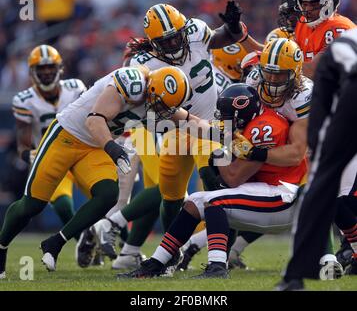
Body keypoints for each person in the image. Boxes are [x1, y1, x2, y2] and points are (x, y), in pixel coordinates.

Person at [0, 65, 194, 277]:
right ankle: (1, 247)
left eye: (168, 108)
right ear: (151, 91)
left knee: (108, 194)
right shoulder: (131, 83)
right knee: (32, 205)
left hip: (94, 147)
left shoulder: (161, 100)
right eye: (161, 106)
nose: (163, 112)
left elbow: (190, 121)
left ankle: (55, 242)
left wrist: (221, 131)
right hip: (67, 136)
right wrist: (113, 149)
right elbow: (94, 120)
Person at [117, 83, 307, 279]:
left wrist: (218, 155)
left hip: (282, 197)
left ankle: (217, 267)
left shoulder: (263, 128)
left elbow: (233, 178)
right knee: (194, 202)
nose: (226, 123)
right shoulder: (252, 120)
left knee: (216, 202)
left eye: (229, 118)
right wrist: (171, 113)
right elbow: (201, 126)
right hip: (266, 191)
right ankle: (156, 264)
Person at [128, 1, 248, 234]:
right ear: (153, 44)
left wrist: (233, 27)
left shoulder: (196, 32)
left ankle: (220, 254)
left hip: (211, 125)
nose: (174, 43)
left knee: (214, 180)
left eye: (176, 36)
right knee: (171, 197)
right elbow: (152, 106)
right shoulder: (143, 65)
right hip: (175, 129)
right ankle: (172, 251)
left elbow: (225, 38)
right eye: (166, 41)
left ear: (185, 30)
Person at [276, 27, 357, 291]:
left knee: (323, 183)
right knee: (327, 186)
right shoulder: (338, 52)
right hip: (346, 89)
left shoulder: (341, 45)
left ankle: (295, 276)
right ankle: (297, 274)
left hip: (345, 89)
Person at [12, 45, 86, 233]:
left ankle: (124, 246)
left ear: (60, 68)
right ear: (32, 72)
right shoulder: (24, 100)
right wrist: (32, 157)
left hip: (81, 154)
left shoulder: (75, 88)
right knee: (62, 206)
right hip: (52, 158)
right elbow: (23, 146)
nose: (46, 72)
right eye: (41, 68)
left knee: (106, 195)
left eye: (50, 67)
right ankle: (84, 244)